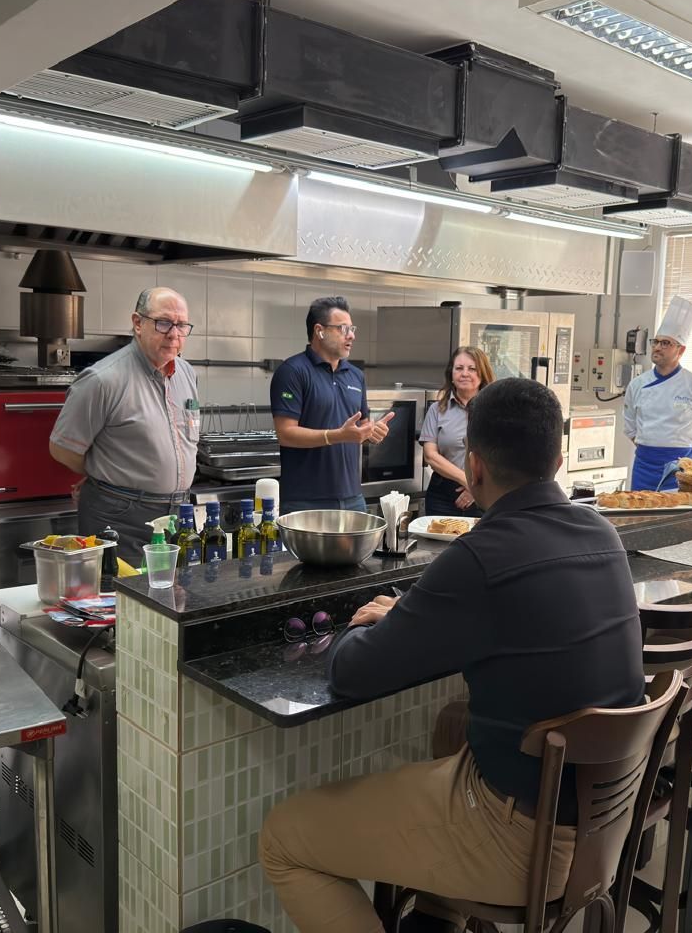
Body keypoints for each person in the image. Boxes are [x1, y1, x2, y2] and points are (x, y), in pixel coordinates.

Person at [259, 378, 645, 933]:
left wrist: (361, 622)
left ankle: (446, 894)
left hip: (523, 841)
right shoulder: (601, 532)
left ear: (475, 466)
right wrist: (417, 614)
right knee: (450, 723)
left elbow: (351, 673)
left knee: (283, 838)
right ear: (558, 462)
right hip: (604, 819)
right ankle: (437, 917)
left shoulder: (479, 557)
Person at [49, 287, 199, 563]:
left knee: (175, 590)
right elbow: (62, 449)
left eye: (181, 325)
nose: (174, 334)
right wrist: (103, 471)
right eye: (163, 323)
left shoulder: (186, 374)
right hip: (120, 517)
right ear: (138, 323)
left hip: (178, 516)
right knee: (122, 591)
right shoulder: (102, 380)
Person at [270, 296, 393, 514]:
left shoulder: (356, 375)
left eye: (352, 329)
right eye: (343, 328)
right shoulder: (292, 371)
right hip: (305, 500)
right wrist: (336, 436)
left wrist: (372, 432)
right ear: (319, 331)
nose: (351, 335)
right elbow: (285, 434)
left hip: (352, 497)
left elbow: (360, 428)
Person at [623, 296, 692, 491]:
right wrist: (650, 452)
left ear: (681, 350)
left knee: (679, 509)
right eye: (656, 342)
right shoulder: (637, 385)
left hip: (681, 469)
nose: (658, 347)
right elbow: (630, 427)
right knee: (638, 508)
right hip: (644, 467)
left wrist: (686, 458)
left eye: (666, 343)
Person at [419, 346, 495, 517]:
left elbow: (502, 454)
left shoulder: (496, 410)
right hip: (441, 497)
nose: (464, 373)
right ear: (451, 375)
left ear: (482, 374)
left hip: (485, 494)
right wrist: (466, 480)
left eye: (472, 368)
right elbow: (430, 455)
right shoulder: (437, 410)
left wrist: (476, 489)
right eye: (459, 368)